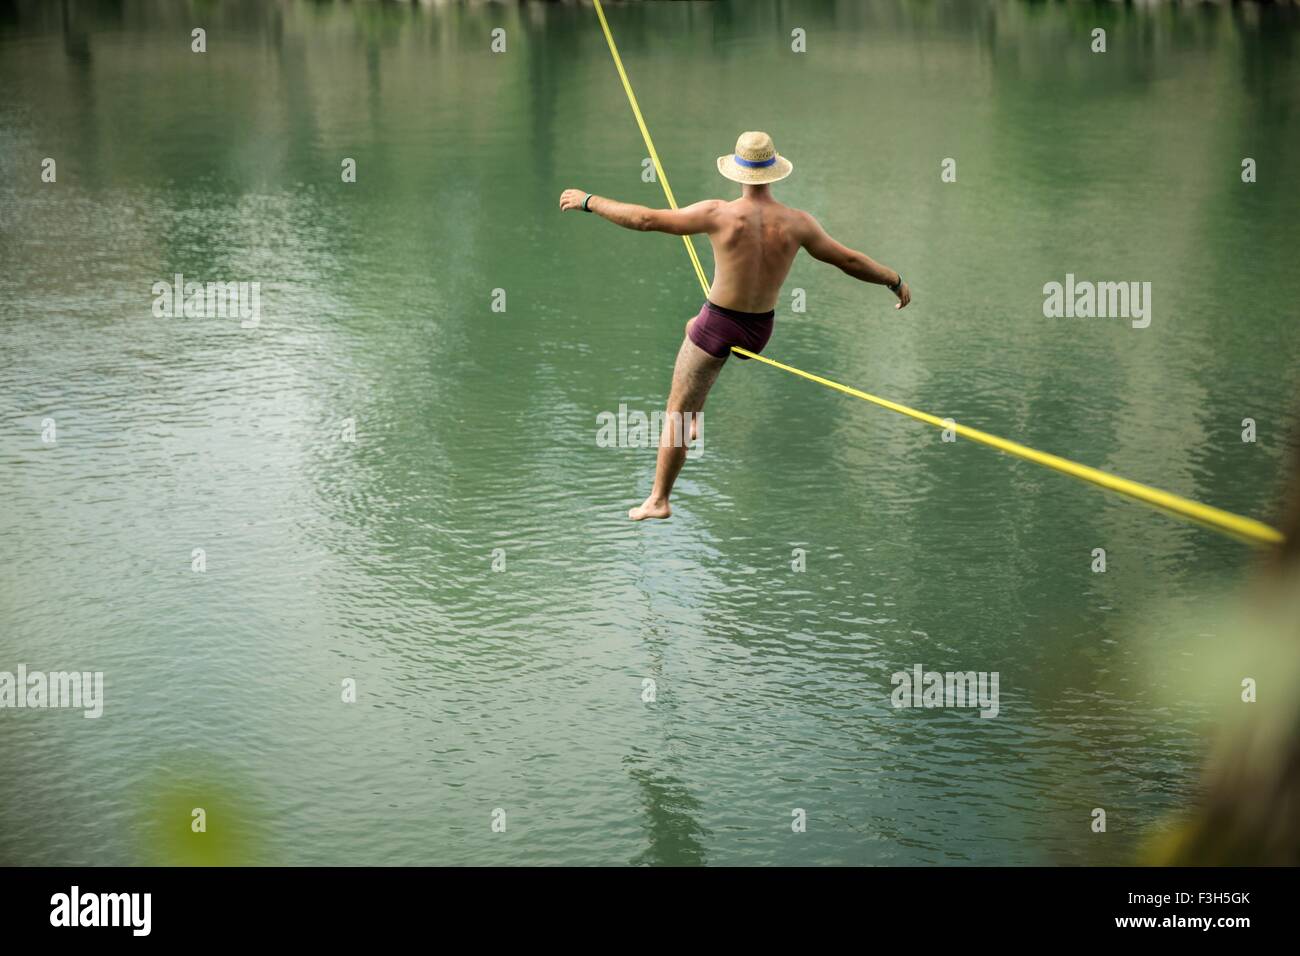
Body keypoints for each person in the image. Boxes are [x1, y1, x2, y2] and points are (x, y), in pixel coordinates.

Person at [560, 131, 910, 520]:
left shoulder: (719, 213)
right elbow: (850, 261)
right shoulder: (799, 223)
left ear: (737, 172)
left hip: (719, 327)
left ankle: (659, 500)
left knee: (674, 413)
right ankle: (695, 418)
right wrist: (892, 279)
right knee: (692, 325)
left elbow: (645, 220)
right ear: (774, 174)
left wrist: (590, 202)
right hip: (759, 330)